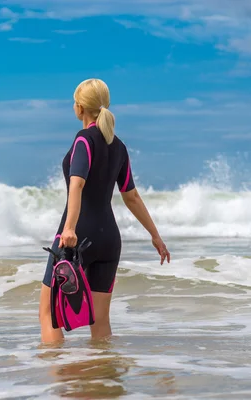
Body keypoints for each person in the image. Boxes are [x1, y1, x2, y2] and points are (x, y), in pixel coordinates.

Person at [39, 78, 170, 344]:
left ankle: (57, 379)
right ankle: (103, 380)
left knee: (50, 314)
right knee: (100, 323)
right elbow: (131, 196)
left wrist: (69, 229)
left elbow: (77, 183)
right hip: (109, 240)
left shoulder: (83, 140)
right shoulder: (119, 146)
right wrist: (155, 236)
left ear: (79, 108)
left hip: (77, 238)